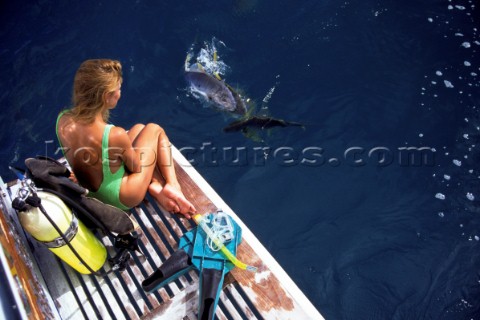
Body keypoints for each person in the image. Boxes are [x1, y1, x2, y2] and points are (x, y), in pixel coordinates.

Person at [56, 59, 196, 218]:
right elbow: (135, 167)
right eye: (118, 89)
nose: (120, 93)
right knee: (154, 129)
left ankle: (157, 186)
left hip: (93, 190)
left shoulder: (63, 119)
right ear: (106, 96)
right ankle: (172, 185)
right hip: (120, 197)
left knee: (138, 129)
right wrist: (130, 152)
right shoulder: (114, 134)